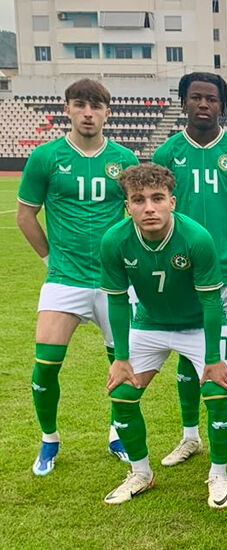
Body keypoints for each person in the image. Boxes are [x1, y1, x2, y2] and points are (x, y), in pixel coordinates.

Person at [17, 79, 139, 475]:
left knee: (122, 363)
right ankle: (49, 440)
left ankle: (117, 432)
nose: (88, 113)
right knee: (44, 367)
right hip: (65, 279)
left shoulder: (124, 159)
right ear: (67, 109)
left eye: (96, 106)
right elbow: (25, 215)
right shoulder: (45, 157)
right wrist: (49, 257)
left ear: (108, 112)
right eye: (80, 105)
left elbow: (139, 214)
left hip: (113, 282)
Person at [100, 164, 227, 508]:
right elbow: (116, 302)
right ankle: (141, 473)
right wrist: (120, 358)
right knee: (123, 394)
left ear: (172, 202)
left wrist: (213, 360)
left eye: (157, 198)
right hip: (150, 325)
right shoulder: (115, 240)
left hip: (196, 323)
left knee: (216, 390)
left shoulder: (196, 239)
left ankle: (218, 473)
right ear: (126, 206)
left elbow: (210, 302)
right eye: (138, 200)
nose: (149, 208)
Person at [152, 72, 227, 467]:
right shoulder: (167, 153)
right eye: (196, 97)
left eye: (212, 99)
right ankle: (189, 437)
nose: (204, 104)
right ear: (183, 101)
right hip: (185, 273)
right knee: (190, 355)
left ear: (223, 105)